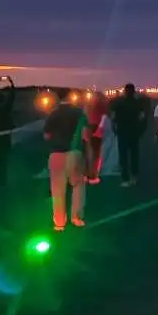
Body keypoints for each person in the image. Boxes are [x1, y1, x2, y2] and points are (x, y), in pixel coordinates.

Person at [43, 88, 89, 231]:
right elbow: (85, 134)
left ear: (57, 97)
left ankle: (59, 222)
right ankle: (77, 218)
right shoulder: (79, 113)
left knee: (57, 190)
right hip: (75, 153)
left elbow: (46, 136)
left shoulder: (53, 114)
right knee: (78, 186)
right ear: (71, 96)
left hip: (57, 153)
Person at [109, 83, 146, 187]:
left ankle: (125, 179)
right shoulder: (138, 104)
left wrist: (115, 130)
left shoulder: (119, 103)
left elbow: (113, 117)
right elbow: (142, 118)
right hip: (134, 132)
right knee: (134, 155)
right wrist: (141, 131)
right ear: (134, 92)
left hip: (122, 132)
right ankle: (134, 176)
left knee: (123, 157)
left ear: (125, 91)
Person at [84, 91, 109, 184]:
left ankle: (85, 175)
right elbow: (104, 117)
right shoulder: (102, 105)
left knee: (87, 152)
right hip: (96, 127)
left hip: (87, 128)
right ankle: (93, 176)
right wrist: (99, 129)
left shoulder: (88, 105)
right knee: (96, 153)